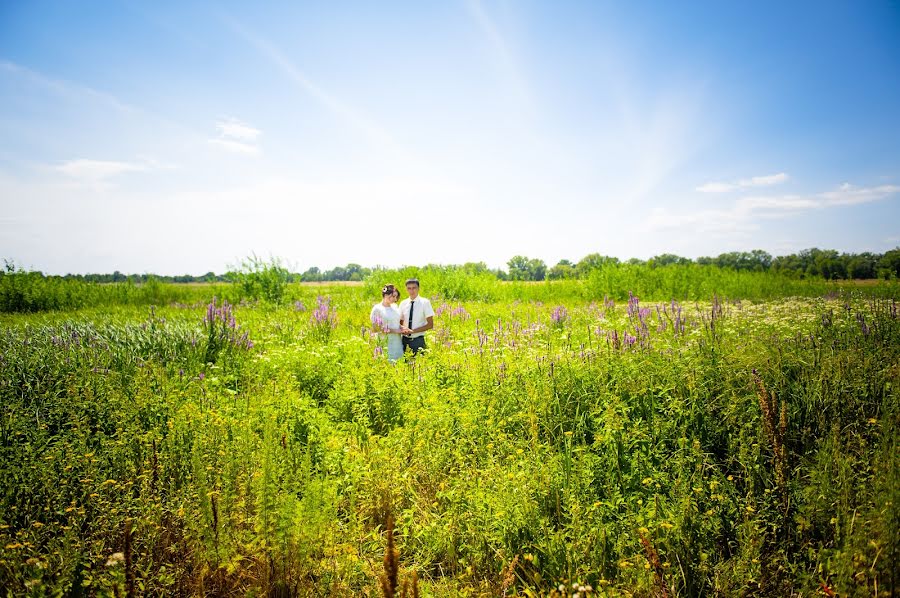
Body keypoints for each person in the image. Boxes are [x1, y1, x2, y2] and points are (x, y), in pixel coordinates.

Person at [370, 284, 410, 362]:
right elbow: (376, 329)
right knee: (386, 363)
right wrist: (396, 331)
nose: (395, 299)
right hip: (385, 342)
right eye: (393, 296)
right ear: (385, 295)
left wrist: (402, 328)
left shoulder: (395, 306)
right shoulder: (377, 309)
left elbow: (395, 322)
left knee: (399, 364)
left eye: (396, 297)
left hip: (397, 342)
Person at [399, 278, 434, 355]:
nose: (411, 291)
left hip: (418, 341)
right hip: (404, 341)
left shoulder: (425, 303)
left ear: (418, 288)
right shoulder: (403, 303)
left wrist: (413, 331)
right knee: (405, 365)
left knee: (419, 365)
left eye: (414, 288)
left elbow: (430, 325)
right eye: (409, 288)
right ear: (406, 289)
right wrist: (403, 329)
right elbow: (400, 323)